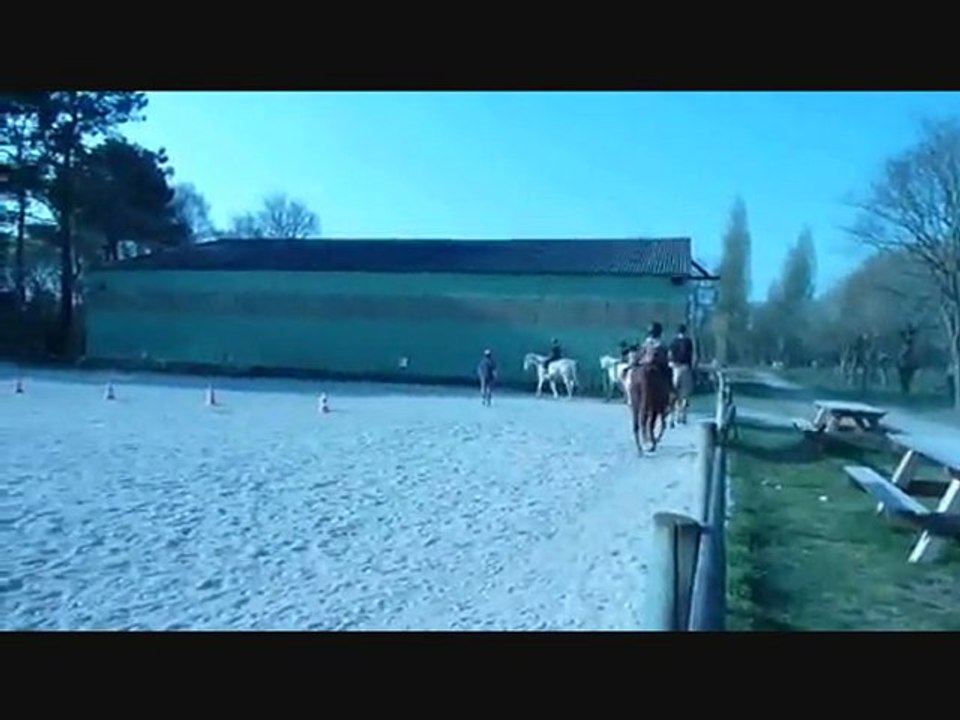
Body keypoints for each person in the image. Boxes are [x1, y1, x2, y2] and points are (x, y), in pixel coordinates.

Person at [669, 324, 695, 424]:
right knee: (685, 394)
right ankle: (683, 416)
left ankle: (672, 417)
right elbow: (691, 356)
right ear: (685, 331)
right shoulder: (688, 342)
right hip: (685, 368)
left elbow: (670, 355)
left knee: (673, 393)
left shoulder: (673, 342)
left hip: (675, 368)